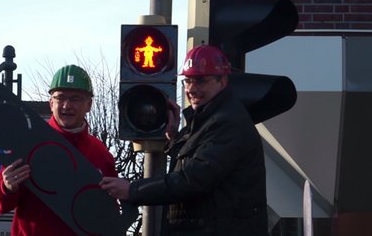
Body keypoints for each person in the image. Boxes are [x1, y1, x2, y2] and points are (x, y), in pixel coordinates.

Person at [100, 45, 268, 235]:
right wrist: (175, 139)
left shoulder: (227, 123)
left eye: (200, 81)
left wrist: (132, 190)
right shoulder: (210, 120)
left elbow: (193, 179)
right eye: (187, 81)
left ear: (222, 81)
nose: (192, 89)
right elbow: (199, 164)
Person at [0, 64, 118, 236]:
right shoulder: (28, 144)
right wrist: (6, 187)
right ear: (51, 103)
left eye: (75, 98)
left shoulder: (101, 153)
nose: (66, 105)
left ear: (89, 105)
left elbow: (109, 213)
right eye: (60, 98)